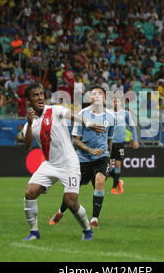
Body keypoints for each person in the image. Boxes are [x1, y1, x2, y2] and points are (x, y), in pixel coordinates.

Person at [22, 83, 105, 241]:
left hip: (69, 163)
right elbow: (26, 145)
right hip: (49, 164)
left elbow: (73, 115)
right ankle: (34, 232)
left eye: (41, 94)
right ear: (28, 100)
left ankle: (87, 230)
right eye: (35, 95)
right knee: (29, 192)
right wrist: (30, 123)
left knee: (71, 201)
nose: (40, 97)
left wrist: (88, 123)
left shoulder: (54, 110)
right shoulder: (29, 123)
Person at [49, 85, 115, 229]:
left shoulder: (111, 116)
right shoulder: (82, 115)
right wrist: (90, 150)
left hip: (101, 157)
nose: (97, 96)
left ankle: (94, 219)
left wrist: (108, 157)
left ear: (104, 99)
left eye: (100, 94)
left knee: (100, 183)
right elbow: (75, 140)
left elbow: (110, 139)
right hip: (82, 158)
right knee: (72, 191)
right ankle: (61, 212)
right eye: (94, 94)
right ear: (90, 98)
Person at [109, 97, 139, 195]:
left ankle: (114, 188)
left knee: (117, 165)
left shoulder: (126, 113)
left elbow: (133, 127)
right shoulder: (107, 113)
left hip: (120, 143)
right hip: (109, 143)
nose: (115, 102)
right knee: (108, 167)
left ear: (120, 102)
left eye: (116, 100)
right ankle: (118, 181)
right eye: (113, 101)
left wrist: (135, 140)